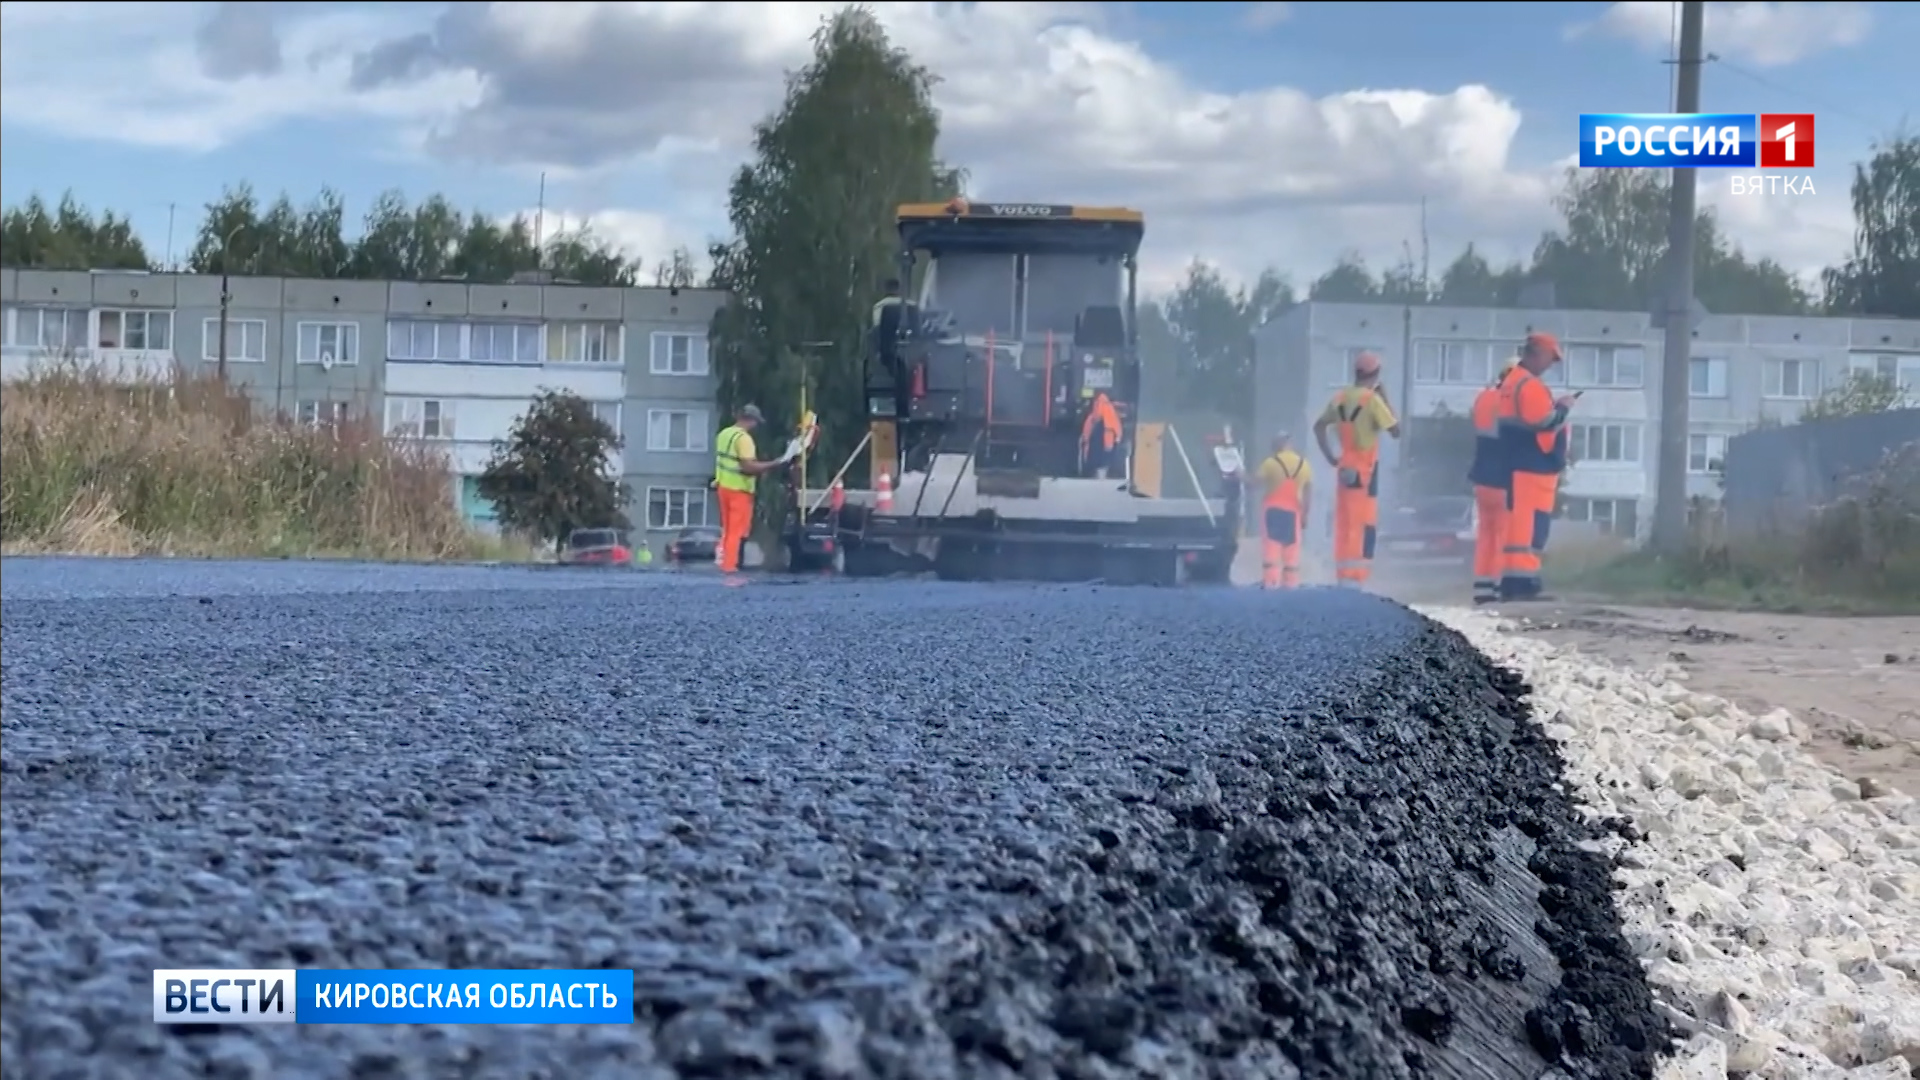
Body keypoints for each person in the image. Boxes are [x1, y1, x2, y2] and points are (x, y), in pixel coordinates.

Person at [1495, 332, 1577, 600]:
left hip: (1521, 465)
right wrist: (1563, 408)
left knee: (1521, 528)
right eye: (1550, 358)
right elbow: (1544, 422)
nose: (1550, 365)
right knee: (1530, 529)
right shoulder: (1528, 385)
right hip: (1532, 466)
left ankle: (1515, 581)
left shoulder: (1513, 382)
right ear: (1537, 353)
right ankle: (1523, 583)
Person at [1312, 351, 1400, 588]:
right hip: (1365, 472)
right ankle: (1354, 579)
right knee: (1362, 526)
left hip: (1345, 468)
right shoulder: (1372, 400)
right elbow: (1396, 431)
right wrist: (1385, 398)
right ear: (1376, 374)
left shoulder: (1340, 397)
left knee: (1345, 523)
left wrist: (1331, 457)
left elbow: (1319, 427)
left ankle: (1344, 577)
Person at [712, 405, 786, 573]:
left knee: (728, 529)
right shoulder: (744, 439)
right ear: (751, 420)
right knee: (736, 531)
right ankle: (730, 567)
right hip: (740, 489)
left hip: (723, 487)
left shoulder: (724, 434)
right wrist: (774, 464)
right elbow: (748, 467)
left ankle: (723, 562)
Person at [1467, 356, 1518, 605]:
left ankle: (1482, 585)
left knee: (1485, 534)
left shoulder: (1483, 398)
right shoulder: (1508, 403)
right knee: (1501, 534)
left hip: (1481, 476)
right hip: (1502, 478)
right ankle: (1498, 585)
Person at [1248, 432, 1313, 589]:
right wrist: (1305, 515)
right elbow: (1308, 492)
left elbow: (1253, 484)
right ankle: (1291, 584)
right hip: (1294, 513)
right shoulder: (1304, 465)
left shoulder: (1270, 463)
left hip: (1272, 512)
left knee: (1272, 550)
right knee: (1291, 551)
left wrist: (1238, 475)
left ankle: (1271, 583)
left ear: (1278, 444)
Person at [871, 278, 909, 419]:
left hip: (888, 352)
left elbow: (877, 330)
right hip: (913, 353)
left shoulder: (879, 307)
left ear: (886, 290)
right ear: (899, 290)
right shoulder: (910, 305)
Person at [1080, 390, 1122, 479]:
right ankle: (1101, 475)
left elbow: (1087, 429)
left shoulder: (1093, 416)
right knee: (1104, 460)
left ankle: (1098, 475)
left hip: (1099, 441)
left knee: (1097, 458)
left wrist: (1085, 438)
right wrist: (1117, 438)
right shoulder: (1111, 413)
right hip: (1107, 441)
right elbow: (1116, 427)